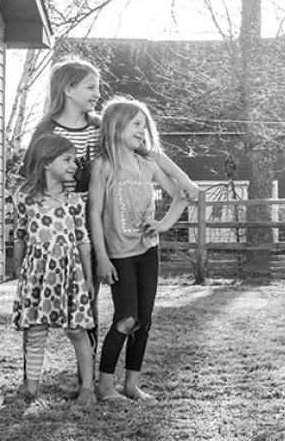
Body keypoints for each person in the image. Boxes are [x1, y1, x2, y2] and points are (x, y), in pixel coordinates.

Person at [28, 58, 199, 353]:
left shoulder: (99, 127)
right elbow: (32, 179)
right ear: (68, 89)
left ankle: (90, 375)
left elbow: (139, 154)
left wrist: (180, 179)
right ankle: (34, 373)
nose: (97, 93)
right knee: (49, 299)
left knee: (89, 301)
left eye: (98, 87)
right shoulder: (45, 130)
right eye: (91, 86)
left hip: (97, 230)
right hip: (58, 228)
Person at [89, 98, 190, 402]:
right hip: (119, 253)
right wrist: (102, 258)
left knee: (143, 321)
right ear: (116, 125)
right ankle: (105, 387)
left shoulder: (147, 163)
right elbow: (94, 213)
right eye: (135, 124)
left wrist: (162, 225)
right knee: (125, 318)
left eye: (144, 126)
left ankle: (130, 385)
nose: (141, 130)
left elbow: (181, 195)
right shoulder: (103, 166)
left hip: (147, 250)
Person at [11, 134, 96, 404]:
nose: (73, 165)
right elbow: (21, 236)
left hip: (70, 273)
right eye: (67, 159)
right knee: (35, 330)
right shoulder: (25, 198)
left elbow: (83, 240)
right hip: (37, 273)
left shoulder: (74, 202)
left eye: (74, 160)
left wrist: (89, 279)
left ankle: (87, 388)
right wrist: (18, 271)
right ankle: (31, 387)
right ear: (47, 163)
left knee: (77, 330)